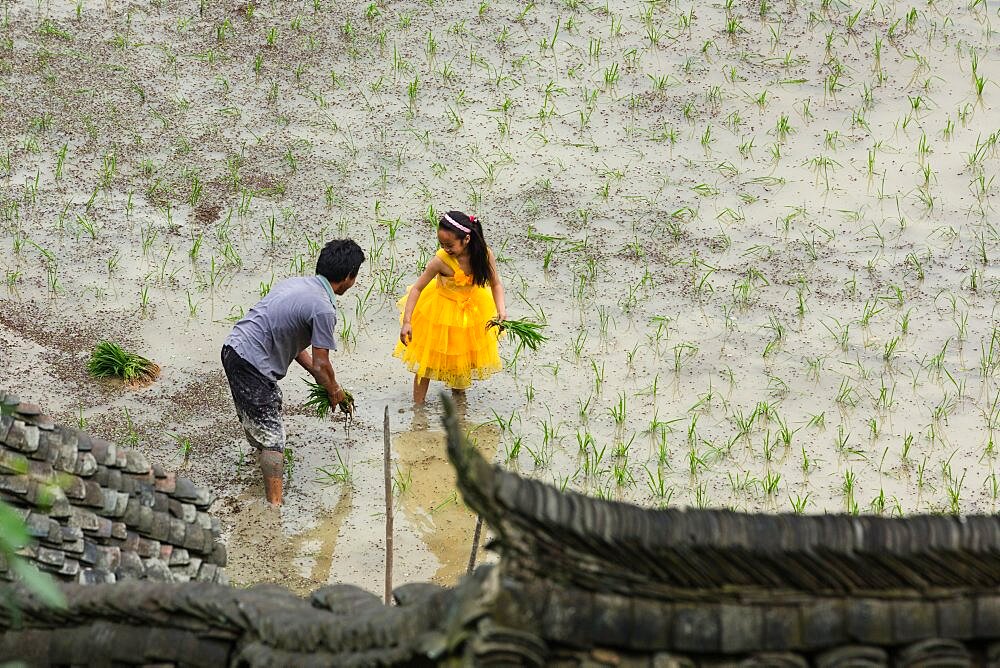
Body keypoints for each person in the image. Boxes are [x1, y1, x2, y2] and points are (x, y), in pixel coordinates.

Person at [222, 239, 364, 506]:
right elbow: (322, 364)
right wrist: (334, 389)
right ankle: (274, 506)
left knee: (266, 409)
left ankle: (259, 464)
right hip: (253, 363)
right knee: (274, 439)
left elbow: (295, 346)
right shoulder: (324, 307)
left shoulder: (297, 284)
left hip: (233, 349)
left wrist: (325, 383)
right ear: (348, 277)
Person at [394, 210, 506, 404]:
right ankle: (418, 410)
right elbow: (417, 289)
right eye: (442, 244)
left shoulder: (484, 255)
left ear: (467, 239)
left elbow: (495, 283)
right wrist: (407, 321)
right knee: (426, 365)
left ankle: (460, 406)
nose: (445, 249)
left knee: (461, 362)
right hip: (440, 313)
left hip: (470, 312)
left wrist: (501, 311)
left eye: (450, 245)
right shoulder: (440, 261)